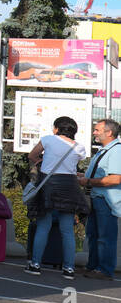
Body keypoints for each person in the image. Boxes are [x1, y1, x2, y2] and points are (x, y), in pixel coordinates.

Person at [24, 117, 89, 277]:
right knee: (67, 230)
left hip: (49, 185)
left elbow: (32, 156)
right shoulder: (79, 147)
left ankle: (35, 264)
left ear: (57, 128)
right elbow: (72, 166)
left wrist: (42, 162)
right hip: (69, 187)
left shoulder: (48, 140)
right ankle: (68, 268)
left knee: (43, 226)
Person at [79, 118, 121, 281]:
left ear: (109, 132)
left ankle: (105, 270)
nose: (94, 133)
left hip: (106, 200)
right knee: (93, 234)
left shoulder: (116, 150)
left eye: (97, 130)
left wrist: (87, 181)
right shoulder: (105, 150)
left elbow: (116, 179)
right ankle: (93, 267)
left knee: (105, 236)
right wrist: (84, 176)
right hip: (98, 198)